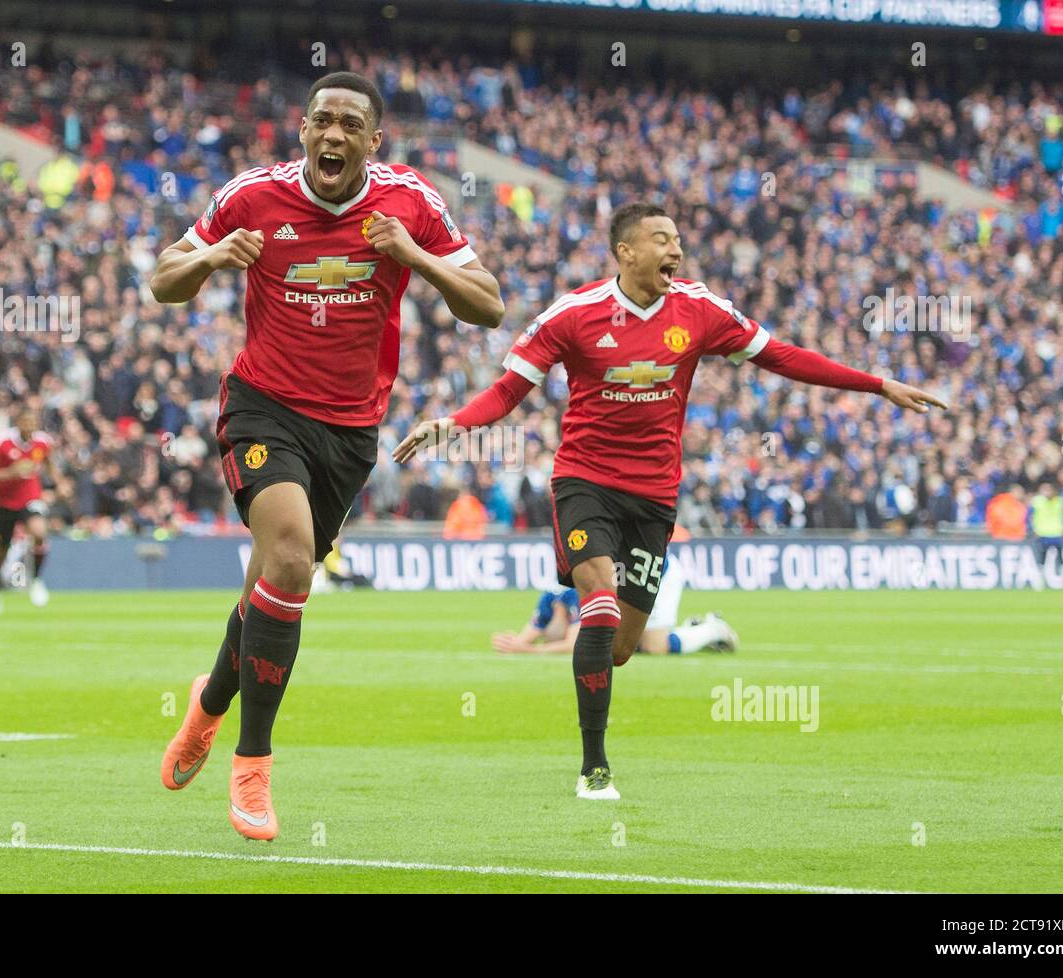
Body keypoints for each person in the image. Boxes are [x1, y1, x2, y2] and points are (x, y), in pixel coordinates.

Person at [396, 201, 944, 800]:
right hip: (585, 482)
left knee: (623, 648)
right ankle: (594, 768)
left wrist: (877, 384)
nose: (676, 250)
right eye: (662, 239)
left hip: (654, 497)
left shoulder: (701, 310)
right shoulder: (573, 315)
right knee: (597, 609)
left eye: (678, 239)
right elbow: (508, 390)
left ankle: (663, 652)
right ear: (625, 252)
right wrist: (452, 423)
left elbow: (781, 356)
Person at [151, 72, 503, 841]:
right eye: (322, 121)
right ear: (303, 129)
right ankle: (253, 764)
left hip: (349, 430)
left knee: (269, 587)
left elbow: (489, 303)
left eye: (350, 125)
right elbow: (162, 280)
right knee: (288, 561)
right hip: (263, 406)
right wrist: (212, 259)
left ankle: (208, 705)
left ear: (374, 142)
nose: (333, 136)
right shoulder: (253, 196)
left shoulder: (411, 202)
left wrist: (416, 255)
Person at [492, 554, 737, 655]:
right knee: (620, 643)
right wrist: (517, 642)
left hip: (657, 571)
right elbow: (531, 634)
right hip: (625, 576)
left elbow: (572, 644)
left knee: (653, 646)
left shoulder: (576, 592)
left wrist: (530, 650)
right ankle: (693, 628)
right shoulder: (552, 595)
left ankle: (713, 628)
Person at [0, 407, 56, 613]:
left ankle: (36, 579)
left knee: (39, 532)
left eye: (33, 422)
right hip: (5, 503)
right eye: (26, 422)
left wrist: (59, 482)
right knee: (3, 550)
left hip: (31, 497)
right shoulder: (0, 441)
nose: (30, 427)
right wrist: (10, 473)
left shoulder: (43, 442)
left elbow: (48, 462)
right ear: (17, 423)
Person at [1028, 482, 1063, 589]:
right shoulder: (1037, 501)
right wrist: (1034, 529)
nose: (1046, 492)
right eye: (1044, 490)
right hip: (1043, 534)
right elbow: (1029, 516)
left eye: (1048, 489)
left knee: (1061, 558)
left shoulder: (1059, 501)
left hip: (1057, 533)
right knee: (1042, 559)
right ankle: (1040, 581)